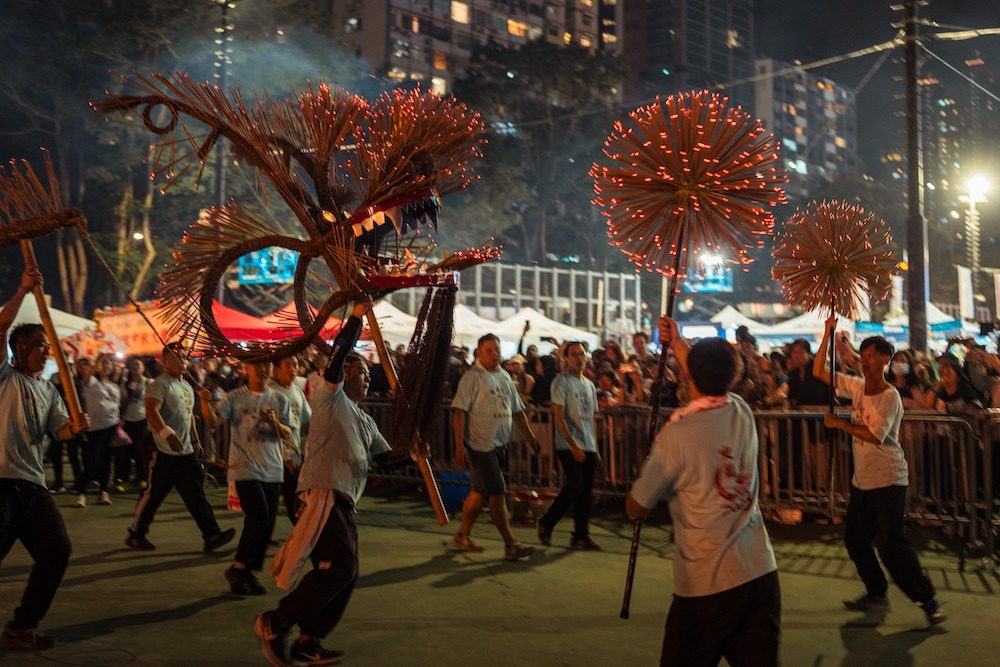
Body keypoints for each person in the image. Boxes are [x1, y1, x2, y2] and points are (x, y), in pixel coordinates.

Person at [627, 317, 779, 666]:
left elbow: (637, 506)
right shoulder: (740, 410)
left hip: (707, 584)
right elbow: (710, 379)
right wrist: (678, 341)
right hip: (759, 572)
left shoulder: (678, 433)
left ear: (689, 375)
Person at [255, 299, 393, 666]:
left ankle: (308, 641)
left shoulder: (365, 420)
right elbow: (338, 353)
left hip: (345, 501)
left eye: (367, 373)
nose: (366, 377)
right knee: (341, 569)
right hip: (323, 494)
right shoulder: (330, 398)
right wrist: (357, 317)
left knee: (344, 573)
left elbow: (387, 459)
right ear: (344, 373)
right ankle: (276, 621)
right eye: (360, 370)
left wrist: (419, 453)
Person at [814, 317, 946, 626]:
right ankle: (876, 592)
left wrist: (839, 423)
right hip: (863, 481)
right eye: (862, 353)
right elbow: (818, 371)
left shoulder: (890, 396)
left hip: (889, 479)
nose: (863, 358)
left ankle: (927, 600)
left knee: (890, 545)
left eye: (870, 354)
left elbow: (874, 435)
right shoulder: (857, 385)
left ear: (885, 359)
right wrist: (827, 335)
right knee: (855, 539)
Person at [0, 267, 90, 650]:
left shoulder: (50, 391)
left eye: (47, 345)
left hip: (34, 487)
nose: (46, 350)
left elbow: (59, 431)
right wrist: (23, 290)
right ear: (19, 350)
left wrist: (76, 425)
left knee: (57, 551)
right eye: (39, 344)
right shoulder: (4, 376)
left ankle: (22, 625)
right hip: (2, 484)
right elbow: (1, 325)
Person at [125, 343, 236, 553]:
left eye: (184, 356)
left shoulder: (187, 387)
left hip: (186, 452)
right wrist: (168, 433)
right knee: (153, 495)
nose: (182, 360)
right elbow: (151, 412)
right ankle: (136, 534)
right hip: (164, 451)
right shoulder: (160, 384)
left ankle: (211, 534)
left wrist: (195, 440)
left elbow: (189, 417)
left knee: (196, 494)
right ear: (164, 361)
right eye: (176, 357)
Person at [203, 359, 293, 597]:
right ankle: (238, 566)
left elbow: (287, 433)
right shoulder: (234, 397)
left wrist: (273, 421)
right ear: (247, 369)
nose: (263, 369)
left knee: (268, 523)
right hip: (245, 468)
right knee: (259, 517)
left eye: (266, 365)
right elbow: (213, 421)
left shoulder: (280, 399)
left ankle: (248, 572)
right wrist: (204, 402)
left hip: (273, 468)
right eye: (257, 366)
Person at [452, 333, 539, 560]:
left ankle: (462, 534)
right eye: (489, 350)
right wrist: (459, 446)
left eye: (497, 349)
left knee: (479, 492)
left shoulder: (505, 377)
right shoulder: (472, 378)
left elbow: (517, 411)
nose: (494, 354)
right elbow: (459, 412)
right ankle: (511, 544)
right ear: (479, 352)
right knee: (498, 493)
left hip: (500, 443)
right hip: (481, 445)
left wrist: (530, 437)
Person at [536, 341, 602, 550]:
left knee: (586, 492)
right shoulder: (561, 382)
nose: (579, 358)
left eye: (582, 354)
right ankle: (547, 521)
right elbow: (558, 415)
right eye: (574, 354)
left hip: (588, 444)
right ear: (565, 358)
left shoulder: (590, 386)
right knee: (575, 486)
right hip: (568, 444)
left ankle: (580, 535)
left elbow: (592, 418)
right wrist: (572, 443)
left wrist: (595, 448)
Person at [270, 355, 312, 524]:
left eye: (295, 365)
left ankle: (301, 535)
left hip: (293, 455)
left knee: (294, 498)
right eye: (288, 365)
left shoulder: (296, 391)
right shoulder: (270, 392)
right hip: (274, 456)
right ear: (277, 369)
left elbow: (307, 419)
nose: (293, 369)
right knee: (271, 500)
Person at [75, 353, 121, 507]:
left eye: (109, 364)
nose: (106, 366)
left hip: (111, 426)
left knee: (106, 461)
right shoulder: (91, 382)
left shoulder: (115, 386)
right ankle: (81, 493)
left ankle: (103, 492)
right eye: (103, 364)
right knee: (91, 461)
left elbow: (117, 407)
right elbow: (88, 373)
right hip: (94, 428)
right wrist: (99, 358)